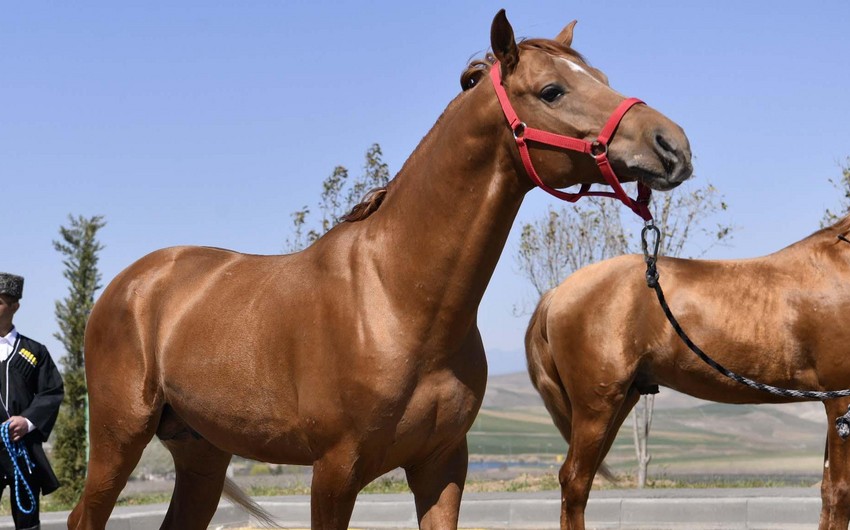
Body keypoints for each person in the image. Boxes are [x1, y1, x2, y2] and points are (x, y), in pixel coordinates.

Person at [0, 273, 64, 530]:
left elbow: (52, 391)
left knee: (27, 521)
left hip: (23, 450)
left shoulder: (34, 352)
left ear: (15, 306)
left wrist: (27, 422)